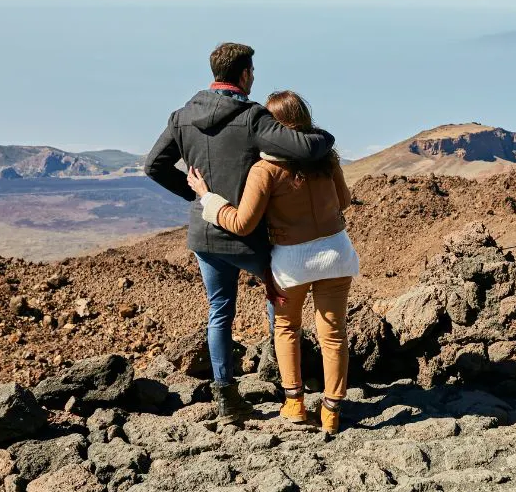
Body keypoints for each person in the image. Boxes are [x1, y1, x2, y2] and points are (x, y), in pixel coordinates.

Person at [145, 44, 334, 426]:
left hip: (204, 234)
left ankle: (227, 398)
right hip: (249, 236)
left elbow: (154, 166)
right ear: (245, 74)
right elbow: (303, 147)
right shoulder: (251, 118)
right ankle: (285, 386)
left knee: (219, 313)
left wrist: (196, 197)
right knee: (277, 303)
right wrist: (325, 138)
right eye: (252, 72)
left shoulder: (181, 117)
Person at [186, 90, 359, 434]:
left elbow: (241, 223)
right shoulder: (328, 158)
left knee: (286, 328)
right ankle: (331, 412)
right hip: (336, 255)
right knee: (334, 335)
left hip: (292, 262)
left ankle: (294, 404)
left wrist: (207, 197)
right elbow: (345, 200)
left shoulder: (264, 170)